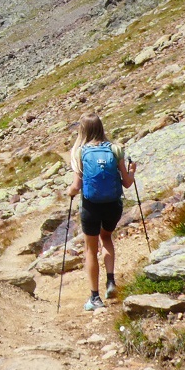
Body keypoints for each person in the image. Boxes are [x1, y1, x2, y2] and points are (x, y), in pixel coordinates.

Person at [66, 112, 136, 311]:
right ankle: (111, 282)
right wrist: (132, 171)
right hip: (113, 205)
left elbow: (76, 186)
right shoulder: (115, 150)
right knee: (106, 238)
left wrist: (69, 192)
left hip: (91, 206)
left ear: (83, 129)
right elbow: (127, 183)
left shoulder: (80, 152)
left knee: (90, 248)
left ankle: (95, 298)